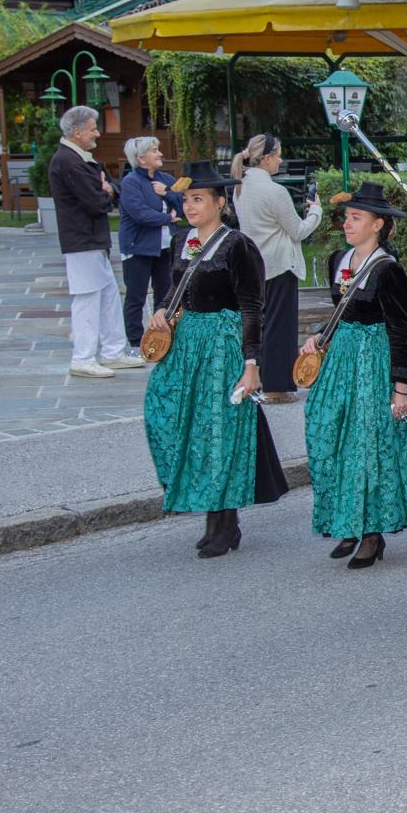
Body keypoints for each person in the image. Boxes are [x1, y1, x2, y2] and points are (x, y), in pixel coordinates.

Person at [143, 161, 289, 558]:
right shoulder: (180, 240)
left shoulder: (237, 245)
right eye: (186, 199)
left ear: (220, 203)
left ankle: (223, 521)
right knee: (164, 411)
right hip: (187, 344)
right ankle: (206, 504)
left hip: (223, 347)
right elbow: (173, 287)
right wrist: (163, 312)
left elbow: (252, 308)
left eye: (198, 199)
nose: (189, 207)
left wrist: (251, 363)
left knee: (217, 433)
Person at [302, 183, 407, 570]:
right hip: (340, 361)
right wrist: (320, 336)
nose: (346, 224)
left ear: (377, 225)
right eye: (346, 217)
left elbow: (402, 330)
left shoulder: (388, 271)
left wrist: (400, 387)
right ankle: (347, 521)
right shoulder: (339, 259)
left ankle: (371, 534)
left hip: (373, 365)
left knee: (367, 447)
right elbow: (343, 312)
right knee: (328, 434)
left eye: (355, 218)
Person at [48, 106, 146, 379]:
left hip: (91, 239)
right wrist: (104, 191)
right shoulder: (68, 161)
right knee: (88, 299)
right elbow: (96, 202)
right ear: (77, 131)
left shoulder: (79, 159)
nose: (97, 133)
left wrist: (106, 189)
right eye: (92, 128)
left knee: (108, 296)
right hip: (82, 240)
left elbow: (111, 190)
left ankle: (113, 352)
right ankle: (83, 357)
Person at [232, 133, 322, 403]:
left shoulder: (240, 187)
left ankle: (257, 378)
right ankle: (277, 387)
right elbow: (297, 231)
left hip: (253, 263)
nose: (281, 160)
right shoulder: (275, 191)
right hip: (280, 263)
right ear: (267, 157)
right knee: (280, 327)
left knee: (260, 324)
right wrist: (316, 211)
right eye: (278, 154)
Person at [118, 136, 183, 349]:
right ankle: (136, 343)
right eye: (154, 151)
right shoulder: (130, 182)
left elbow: (184, 204)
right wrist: (168, 218)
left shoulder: (165, 179)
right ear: (140, 158)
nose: (160, 154)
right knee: (136, 295)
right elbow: (139, 214)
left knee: (165, 293)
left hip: (165, 247)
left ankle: (162, 337)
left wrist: (167, 194)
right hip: (138, 247)